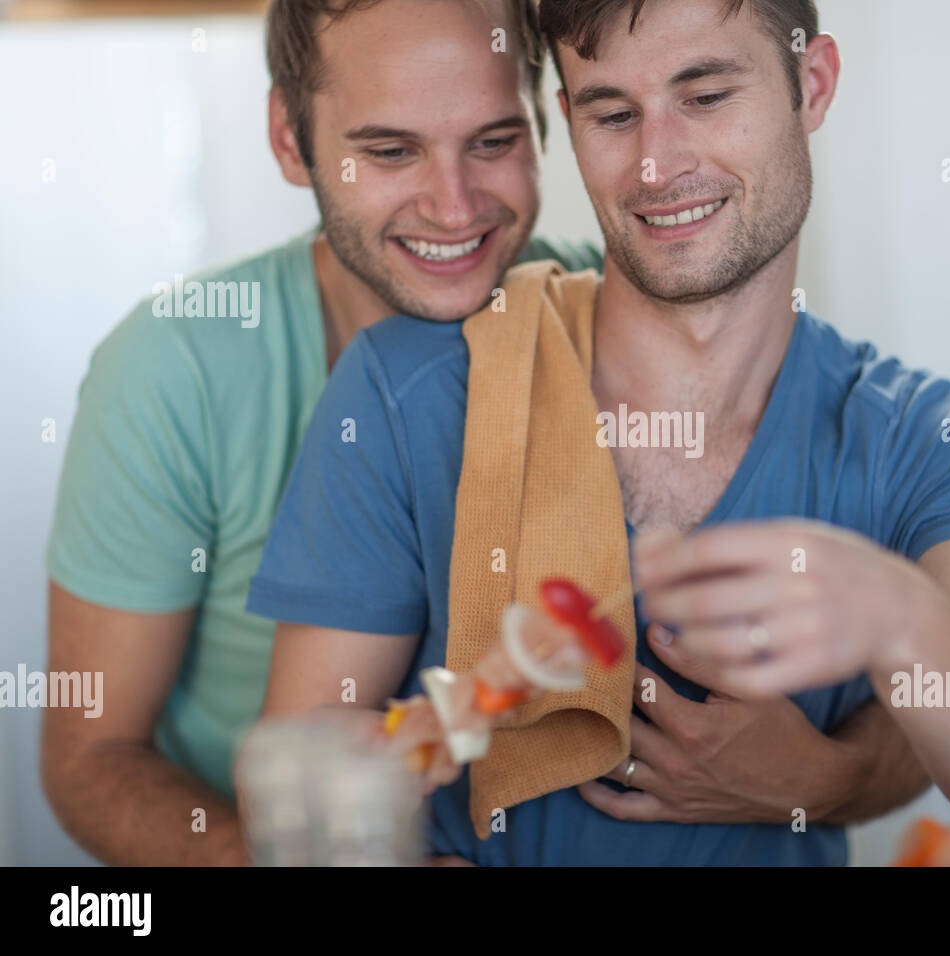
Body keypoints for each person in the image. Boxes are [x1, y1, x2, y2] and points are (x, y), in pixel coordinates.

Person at [245, 0, 950, 865]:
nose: (657, 165)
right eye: (613, 114)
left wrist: (899, 621)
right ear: (568, 122)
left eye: (706, 96)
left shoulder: (935, 443)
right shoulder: (405, 391)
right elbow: (299, 775)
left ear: (813, 83)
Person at [41, 0, 600, 865]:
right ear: (290, 140)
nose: (454, 207)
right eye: (390, 151)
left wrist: (810, 778)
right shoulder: (173, 368)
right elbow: (91, 758)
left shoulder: (607, 315)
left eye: (493, 141)